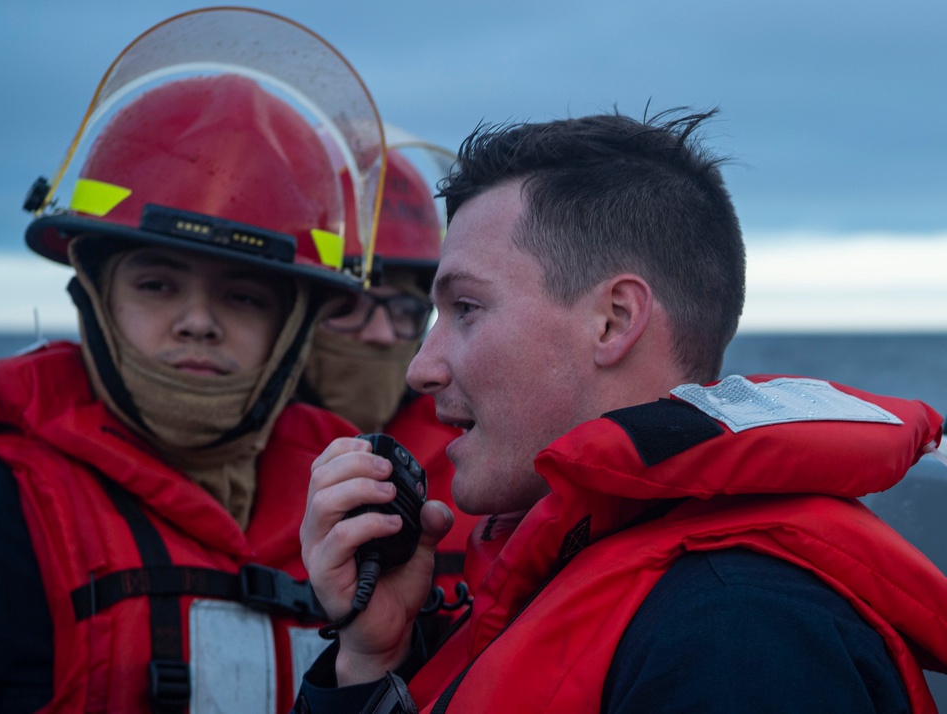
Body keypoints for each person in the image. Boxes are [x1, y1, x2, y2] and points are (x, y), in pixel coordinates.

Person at [295, 109, 947, 712]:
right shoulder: (577, 569)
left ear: (613, 322)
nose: (421, 368)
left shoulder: (740, 629)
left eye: (465, 309)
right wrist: (372, 663)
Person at [0, 63, 377, 710]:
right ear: (96, 296)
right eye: (157, 284)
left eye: (243, 296)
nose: (198, 322)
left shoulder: (359, 521)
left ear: (293, 328)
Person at [298, 146, 482, 629]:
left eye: (403, 311)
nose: (380, 334)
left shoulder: (478, 472)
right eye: (346, 305)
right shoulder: (230, 475)